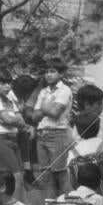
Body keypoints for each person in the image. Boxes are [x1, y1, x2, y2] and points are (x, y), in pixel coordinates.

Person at [0, 72, 31, 199]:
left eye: (9, 83)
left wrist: (8, 119)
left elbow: (21, 122)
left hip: (14, 139)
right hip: (1, 140)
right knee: (16, 176)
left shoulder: (9, 99)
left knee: (19, 175)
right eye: (3, 83)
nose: (7, 86)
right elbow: (12, 120)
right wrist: (11, 119)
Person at [32, 67, 73, 198]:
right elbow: (34, 117)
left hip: (58, 134)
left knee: (60, 174)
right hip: (42, 134)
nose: (48, 74)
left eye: (53, 71)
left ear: (61, 74)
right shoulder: (44, 91)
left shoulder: (64, 90)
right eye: (46, 71)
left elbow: (55, 113)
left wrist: (43, 107)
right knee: (46, 175)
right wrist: (48, 107)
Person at [67, 111, 103, 194]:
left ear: (78, 131)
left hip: (84, 196)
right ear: (99, 127)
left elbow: (71, 178)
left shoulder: (73, 152)